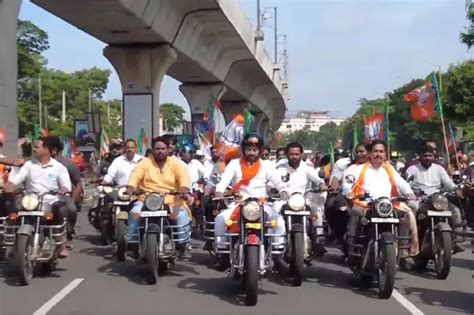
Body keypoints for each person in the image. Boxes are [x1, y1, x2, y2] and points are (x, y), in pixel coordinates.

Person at [214, 133, 287, 265]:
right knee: (220, 219)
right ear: (243, 150)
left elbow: (277, 180)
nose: (251, 152)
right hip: (240, 203)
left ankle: (277, 253)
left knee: (280, 222)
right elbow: (224, 179)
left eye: (255, 150)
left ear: (259, 151)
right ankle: (223, 253)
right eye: (248, 149)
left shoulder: (267, 165)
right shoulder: (234, 164)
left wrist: (283, 190)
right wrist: (219, 191)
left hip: (261, 204)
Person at [342, 140, 419, 256]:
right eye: (375, 151)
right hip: (366, 205)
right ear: (369, 154)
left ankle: (403, 250)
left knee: (405, 215)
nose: (378, 154)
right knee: (355, 212)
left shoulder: (389, 169)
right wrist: (348, 191)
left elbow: (402, 183)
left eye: (381, 151)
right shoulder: (359, 169)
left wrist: (409, 193)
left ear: (385, 154)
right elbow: (347, 182)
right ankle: (352, 248)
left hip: (387, 205)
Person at [126, 136, 193, 258]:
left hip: (172, 201)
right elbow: (135, 175)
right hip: (147, 200)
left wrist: (183, 189)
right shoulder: (145, 163)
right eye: (157, 149)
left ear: (168, 150)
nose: (160, 151)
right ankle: (132, 244)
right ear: (152, 150)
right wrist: (131, 187)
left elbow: (183, 178)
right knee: (134, 212)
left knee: (182, 215)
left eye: (163, 149)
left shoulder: (176, 164)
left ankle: (184, 246)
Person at [5, 137, 72, 258]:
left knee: (62, 209)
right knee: (13, 208)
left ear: (46, 149)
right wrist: (10, 186)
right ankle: (13, 243)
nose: (34, 149)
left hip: (50, 201)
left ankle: (62, 244)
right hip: (31, 201)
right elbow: (18, 178)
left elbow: (66, 185)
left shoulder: (59, 167)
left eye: (37, 147)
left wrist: (64, 189)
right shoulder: (29, 164)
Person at [406, 145, 464, 253]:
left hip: (438, 199)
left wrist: (456, 189)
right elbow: (405, 185)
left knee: (456, 212)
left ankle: (454, 241)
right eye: (425, 155)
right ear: (420, 157)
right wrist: (411, 194)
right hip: (420, 200)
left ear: (434, 157)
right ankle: (410, 241)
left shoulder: (439, 169)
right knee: (411, 211)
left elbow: (448, 184)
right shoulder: (412, 170)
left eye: (430, 156)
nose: (428, 158)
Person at [276, 142, 328, 256]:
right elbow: (273, 182)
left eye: (296, 154)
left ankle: (319, 241)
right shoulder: (281, 169)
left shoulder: (306, 168)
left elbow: (318, 179)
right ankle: (275, 243)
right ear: (286, 155)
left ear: (301, 154)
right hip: (285, 201)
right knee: (274, 216)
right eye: (291, 154)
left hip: (303, 200)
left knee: (317, 212)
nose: (294, 157)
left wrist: (322, 185)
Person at [46, 136, 83, 244]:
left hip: (62, 196)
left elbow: (77, 184)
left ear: (54, 150)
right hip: (41, 195)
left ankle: (68, 231)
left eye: (45, 148)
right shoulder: (35, 162)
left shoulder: (68, 165)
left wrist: (73, 200)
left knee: (71, 210)